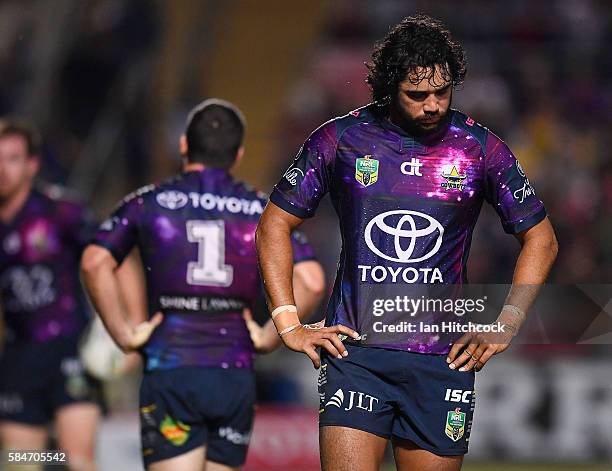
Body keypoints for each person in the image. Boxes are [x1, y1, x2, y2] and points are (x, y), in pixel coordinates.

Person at [256, 14, 558, 471]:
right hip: (356, 355)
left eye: (443, 91)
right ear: (389, 87)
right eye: (417, 95)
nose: (433, 104)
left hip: (442, 361)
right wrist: (289, 324)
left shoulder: (478, 148)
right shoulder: (341, 139)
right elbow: (273, 226)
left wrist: (506, 322)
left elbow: (542, 240)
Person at [80, 99, 325, 471]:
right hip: (234, 371)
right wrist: (269, 334)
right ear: (238, 154)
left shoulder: (150, 201)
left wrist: (125, 335)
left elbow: (95, 261)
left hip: (171, 367)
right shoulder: (260, 208)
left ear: (183, 145)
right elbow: (311, 279)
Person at [0, 118, 101, 471]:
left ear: (32, 165)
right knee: (20, 463)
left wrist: (124, 325)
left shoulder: (61, 211)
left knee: (77, 461)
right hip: (17, 357)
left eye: (12, 159)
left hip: (68, 351)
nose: (2, 169)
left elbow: (111, 258)